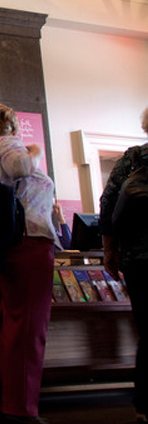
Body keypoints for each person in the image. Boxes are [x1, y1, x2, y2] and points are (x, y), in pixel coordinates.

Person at [0, 103, 56, 424]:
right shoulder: (9, 143)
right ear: (12, 124)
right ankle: (21, 410)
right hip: (27, 244)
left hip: (0, 249)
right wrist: (34, 149)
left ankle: (8, 405)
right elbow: (21, 167)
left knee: (8, 330)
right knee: (29, 329)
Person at [100, 107, 148, 423]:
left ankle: (145, 406)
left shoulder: (132, 159)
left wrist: (109, 251)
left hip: (138, 260)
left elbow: (107, 205)